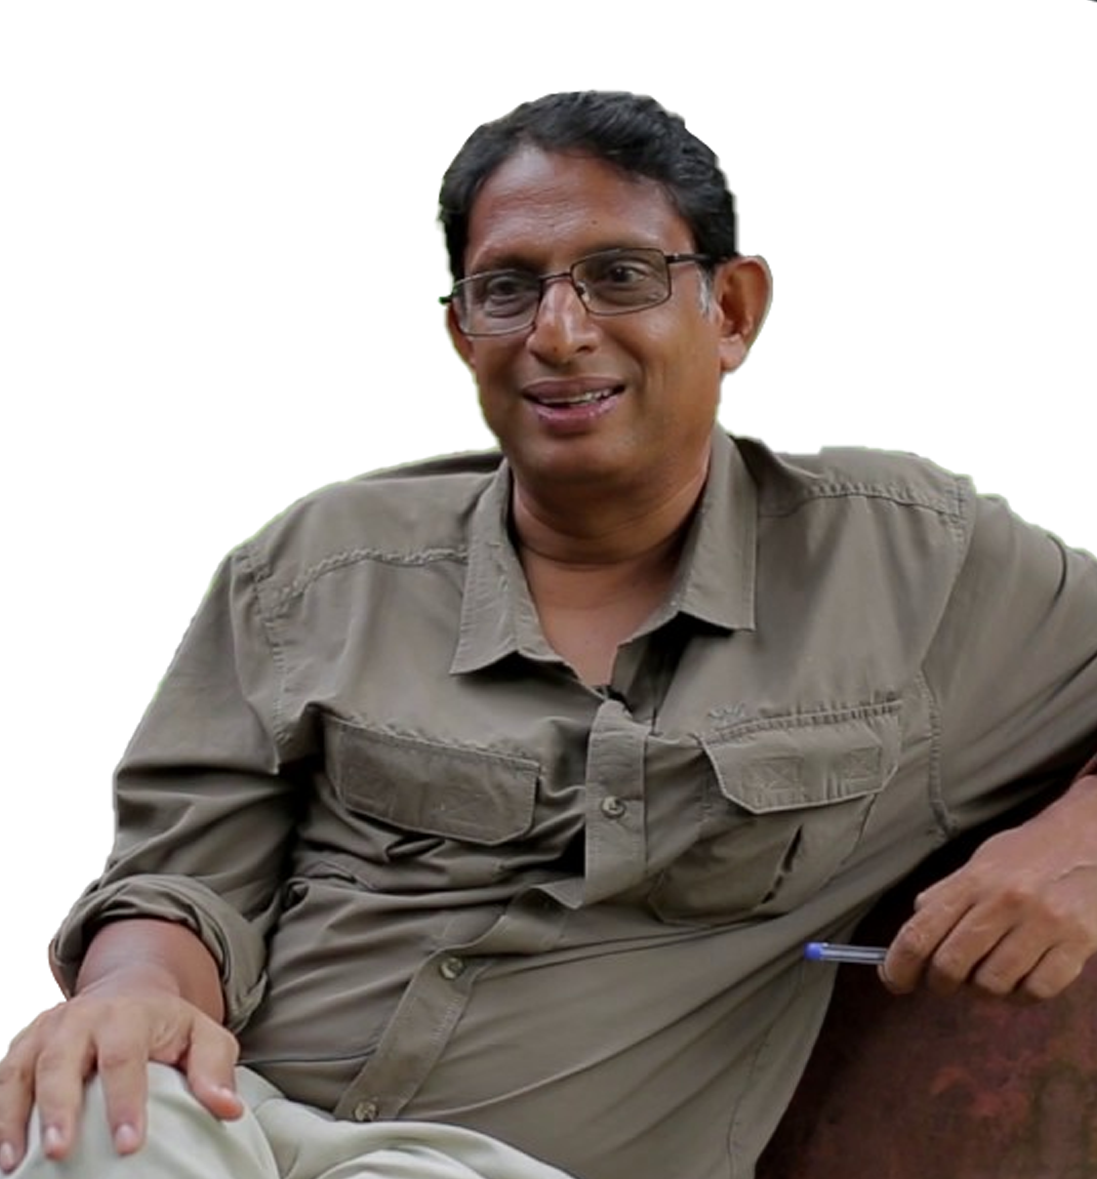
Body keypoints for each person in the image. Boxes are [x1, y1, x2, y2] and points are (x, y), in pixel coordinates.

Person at [1, 89, 1096, 1179]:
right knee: (92, 1112)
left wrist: (1072, 844)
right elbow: (182, 880)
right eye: (507, 290)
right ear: (461, 332)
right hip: (235, 1119)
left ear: (729, 311)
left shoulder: (910, 565)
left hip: (486, 1167)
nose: (558, 334)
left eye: (619, 276)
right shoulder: (317, 570)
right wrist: (133, 990)